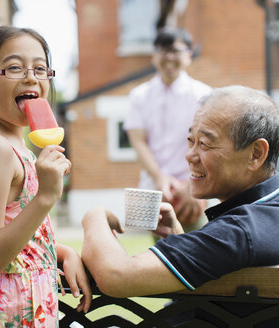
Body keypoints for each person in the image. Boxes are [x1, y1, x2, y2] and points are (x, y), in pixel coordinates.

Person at [82, 86, 279, 324]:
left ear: (256, 154)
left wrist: (94, 217)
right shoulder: (264, 215)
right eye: (190, 140)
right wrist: (180, 241)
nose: (189, 155)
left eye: (205, 144)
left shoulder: (241, 230)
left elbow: (117, 276)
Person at [0, 25, 92, 327]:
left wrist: (60, 250)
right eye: (14, 68)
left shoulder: (10, 142)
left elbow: (13, 232)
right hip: (8, 311)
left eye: (40, 69)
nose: (31, 76)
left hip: (19, 305)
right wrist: (45, 196)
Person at [123, 27, 212, 229]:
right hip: (152, 187)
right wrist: (159, 177)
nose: (169, 56)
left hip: (193, 188)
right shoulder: (139, 95)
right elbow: (138, 141)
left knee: (195, 249)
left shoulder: (204, 94)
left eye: (176, 50)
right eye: (163, 50)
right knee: (157, 253)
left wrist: (193, 184)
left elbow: (210, 144)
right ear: (154, 56)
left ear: (189, 55)